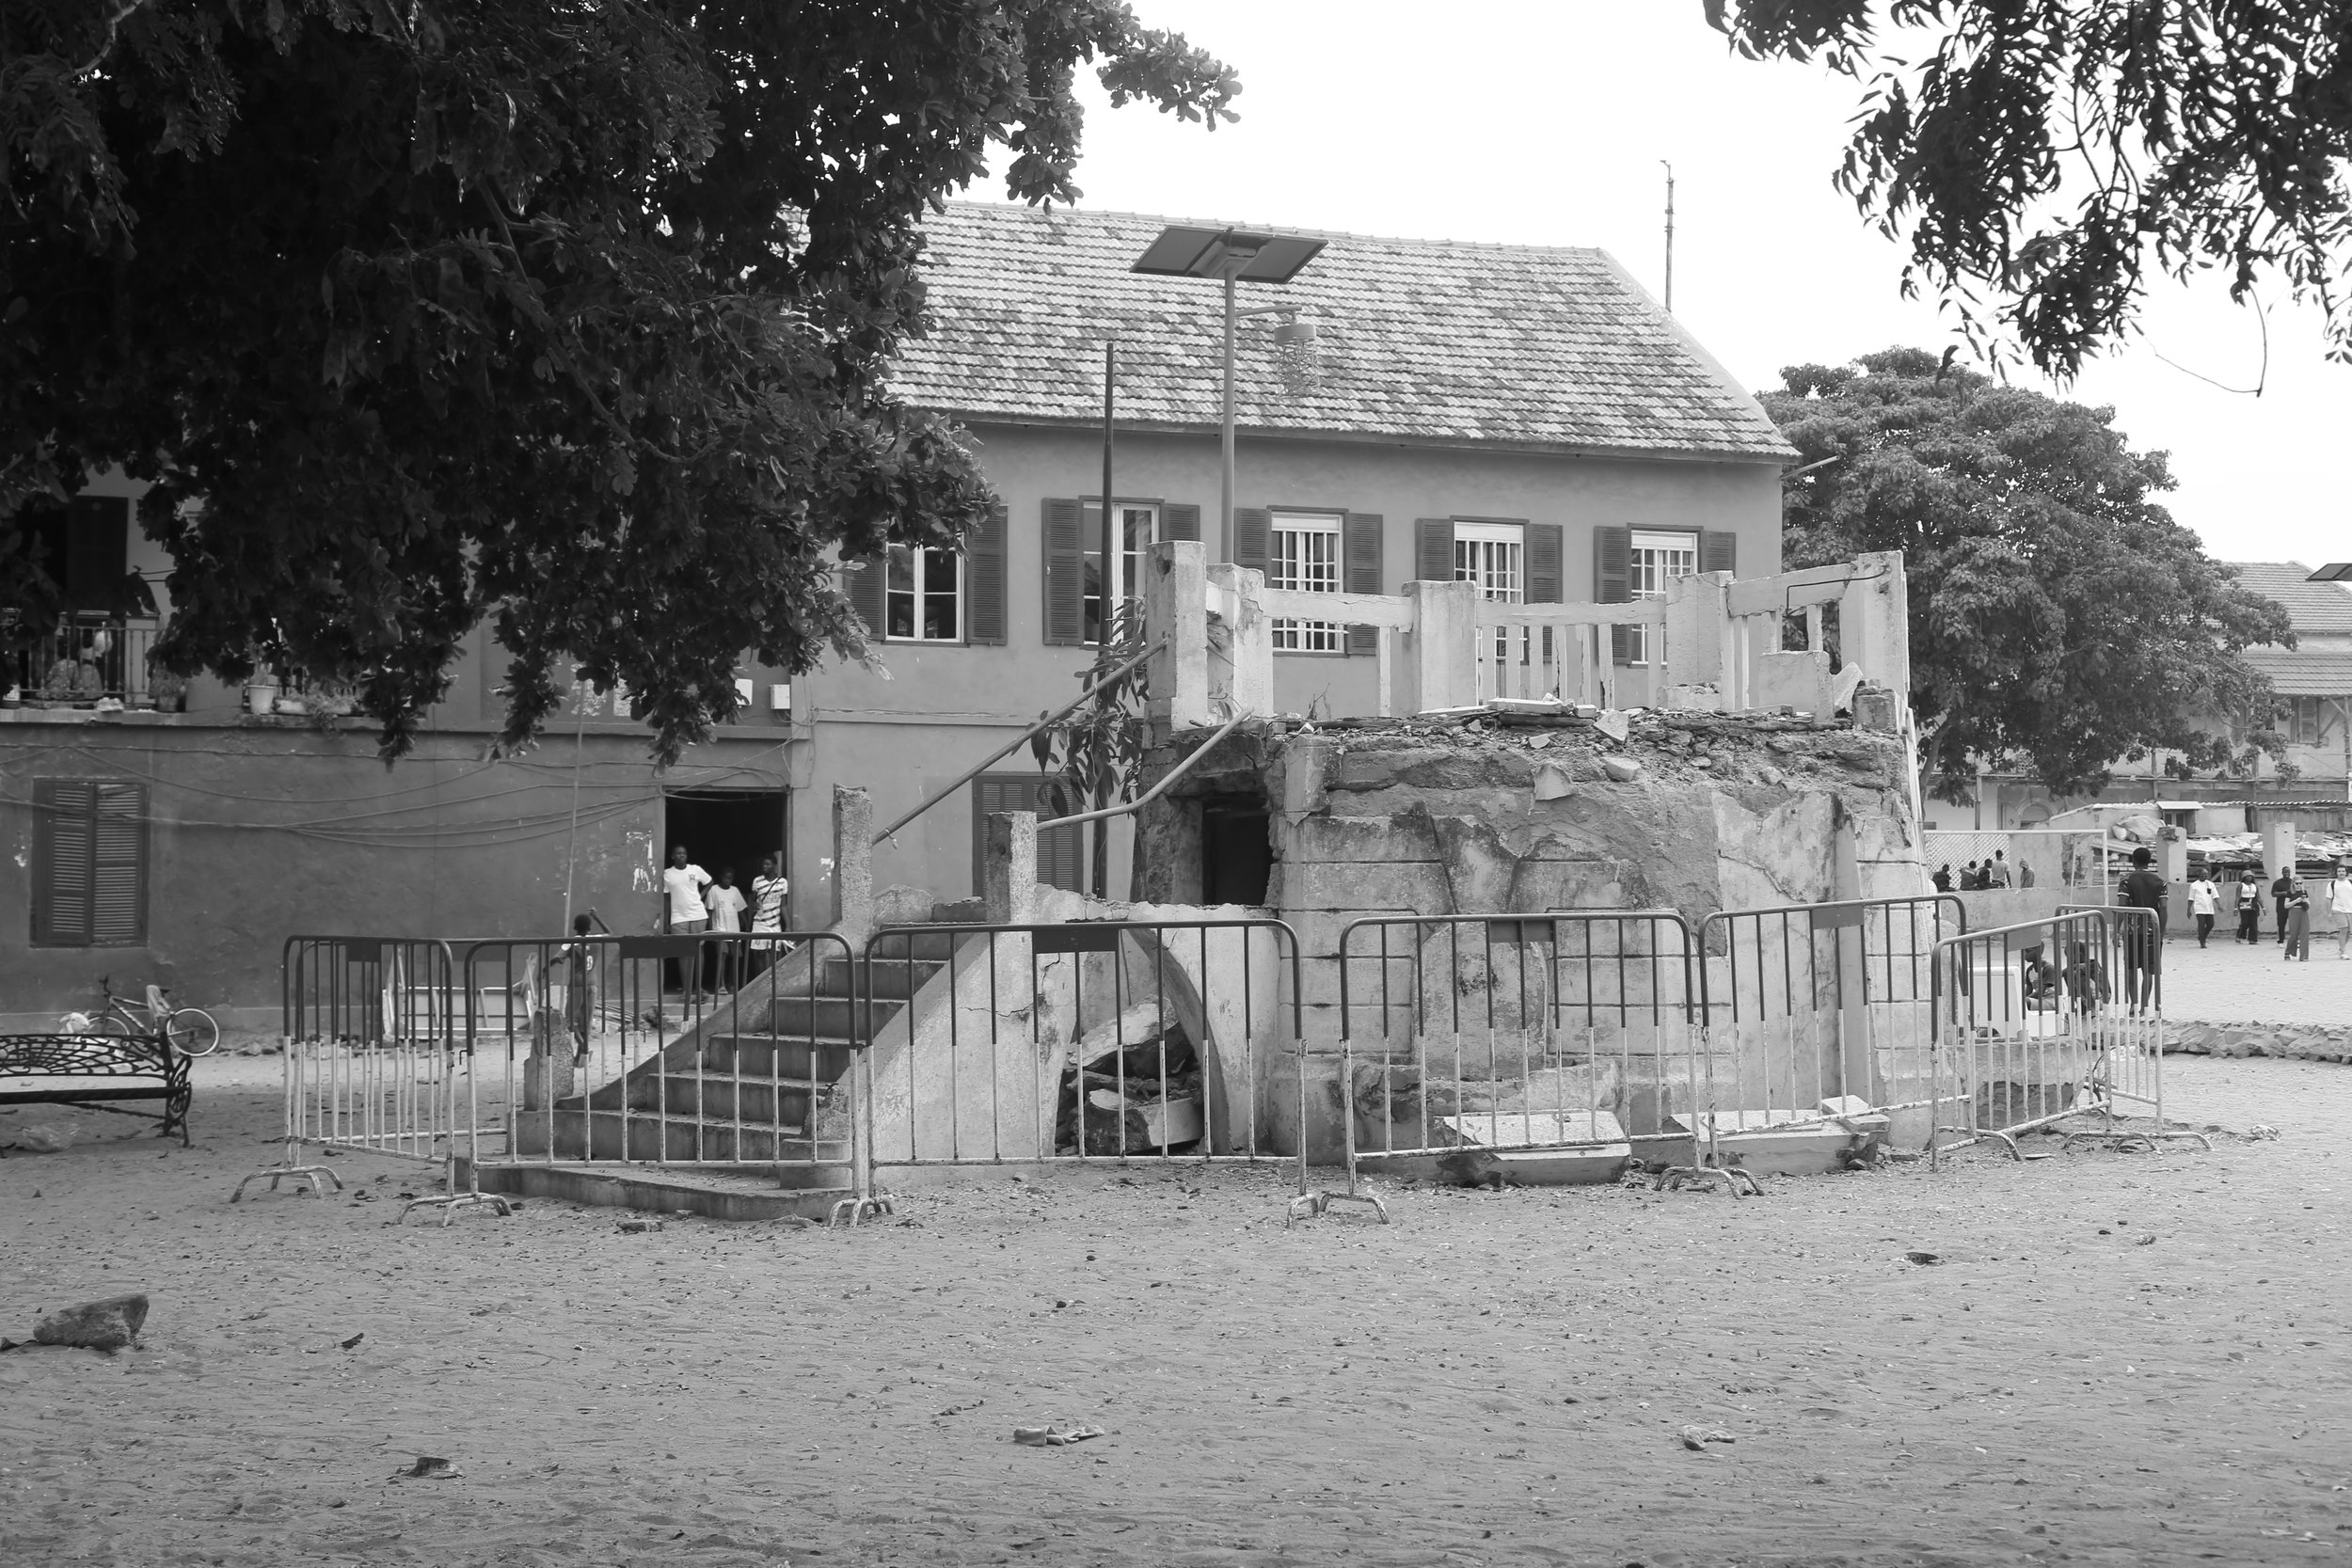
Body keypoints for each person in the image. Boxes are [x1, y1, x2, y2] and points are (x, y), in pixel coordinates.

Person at [2115, 845, 2167, 1015]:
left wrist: (2115, 930)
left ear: (2133, 861)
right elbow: (2164, 908)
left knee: (2131, 968)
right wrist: (2161, 932)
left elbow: (2121, 905)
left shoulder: (2127, 881)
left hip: (2131, 931)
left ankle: (2133, 1004)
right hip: (2152, 931)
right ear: (2149, 861)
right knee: (2149, 971)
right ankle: (2145, 1005)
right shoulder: (2160, 882)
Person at [660, 844, 712, 997]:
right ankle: (686, 989)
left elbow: (709, 881)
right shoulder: (667, 874)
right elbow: (667, 898)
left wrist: (700, 897)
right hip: (678, 918)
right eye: (678, 853)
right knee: (683, 953)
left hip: (698, 915)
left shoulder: (695, 869)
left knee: (698, 951)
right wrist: (667, 920)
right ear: (672, 856)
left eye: (683, 853)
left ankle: (699, 987)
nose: (681, 856)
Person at [705, 865, 748, 993]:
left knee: (735, 958)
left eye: (730, 878)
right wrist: (711, 928)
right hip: (720, 929)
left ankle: (732, 984)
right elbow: (710, 911)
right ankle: (721, 985)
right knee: (722, 957)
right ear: (721, 877)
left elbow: (740, 910)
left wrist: (746, 924)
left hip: (735, 929)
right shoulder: (713, 890)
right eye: (725, 878)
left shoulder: (735, 891)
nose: (727, 880)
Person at [750, 852, 790, 975]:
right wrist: (754, 904)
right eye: (763, 864)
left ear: (774, 865)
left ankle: (771, 982)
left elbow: (783, 905)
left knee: (773, 954)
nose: (764, 866)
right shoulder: (757, 881)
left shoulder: (782, 882)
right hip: (759, 924)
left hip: (774, 925)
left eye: (767, 864)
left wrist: (788, 925)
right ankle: (759, 981)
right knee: (759, 954)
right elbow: (751, 900)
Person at [2061, 939, 2110, 1016]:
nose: (2068, 960)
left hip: (2101, 997)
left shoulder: (2092, 964)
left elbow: (2076, 968)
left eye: (2069, 957)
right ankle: (2083, 1007)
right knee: (2069, 975)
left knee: (2075, 975)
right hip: (2093, 994)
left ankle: (2092, 1008)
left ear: (2079, 955)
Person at [2185, 872, 2219, 948]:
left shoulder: (2211, 884)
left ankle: (2202, 936)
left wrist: (2219, 905)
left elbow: (2215, 896)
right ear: (2199, 875)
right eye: (2202, 875)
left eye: (2206, 875)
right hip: (2199, 907)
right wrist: (2188, 909)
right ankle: (2202, 942)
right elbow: (2191, 898)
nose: (2204, 877)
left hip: (2209, 908)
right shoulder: (2194, 885)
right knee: (2201, 924)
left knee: (2211, 924)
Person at [2283, 879, 2313, 962]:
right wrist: (2296, 901)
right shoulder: (2290, 892)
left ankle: (2304, 956)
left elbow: (2309, 904)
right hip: (2293, 912)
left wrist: (2305, 901)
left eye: (2300, 883)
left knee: (2305, 934)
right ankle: (2288, 951)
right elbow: (2286, 905)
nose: (2299, 885)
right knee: (2294, 934)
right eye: (2297, 883)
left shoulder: (2304, 892)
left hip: (2303, 912)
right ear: (2293, 884)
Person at [2235, 869, 2265, 944]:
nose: (2249, 878)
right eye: (2247, 876)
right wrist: (2235, 907)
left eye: (2251, 877)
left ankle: (2253, 939)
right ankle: (2240, 936)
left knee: (2253, 922)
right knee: (2245, 922)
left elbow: (2258, 897)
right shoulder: (2241, 886)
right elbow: (2237, 897)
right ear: (2244, 877)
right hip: (2243, 903)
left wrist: (2263, 907)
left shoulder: (2255, 886)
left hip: (2253, 904)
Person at [2332, 863, 2352, 960]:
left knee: (2348, 931)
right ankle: (2343, 952)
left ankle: (2341, 948)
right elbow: (2328, 898)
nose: (2341, 873)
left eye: (2343, 871)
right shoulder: (2333, 884)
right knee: (2343, 929)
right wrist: (2329, 911)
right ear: (2336, 873)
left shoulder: (2350, 883)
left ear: (2346, 872)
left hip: (2350, 909)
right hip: (2338, 909)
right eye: (2339, 871)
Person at [2272, 864, 2296, 944]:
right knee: (2281, 924)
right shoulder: (2277, 883)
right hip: (2281, 907)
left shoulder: (2293, 882)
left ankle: (2294, 940)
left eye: (2288, 872)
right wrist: (2283, 893)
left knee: (2293, 924)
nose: (2287, 873)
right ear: (2282, 872)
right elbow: (2273, 893)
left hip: (2291, 906)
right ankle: (2281, 940)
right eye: (2285, 872)